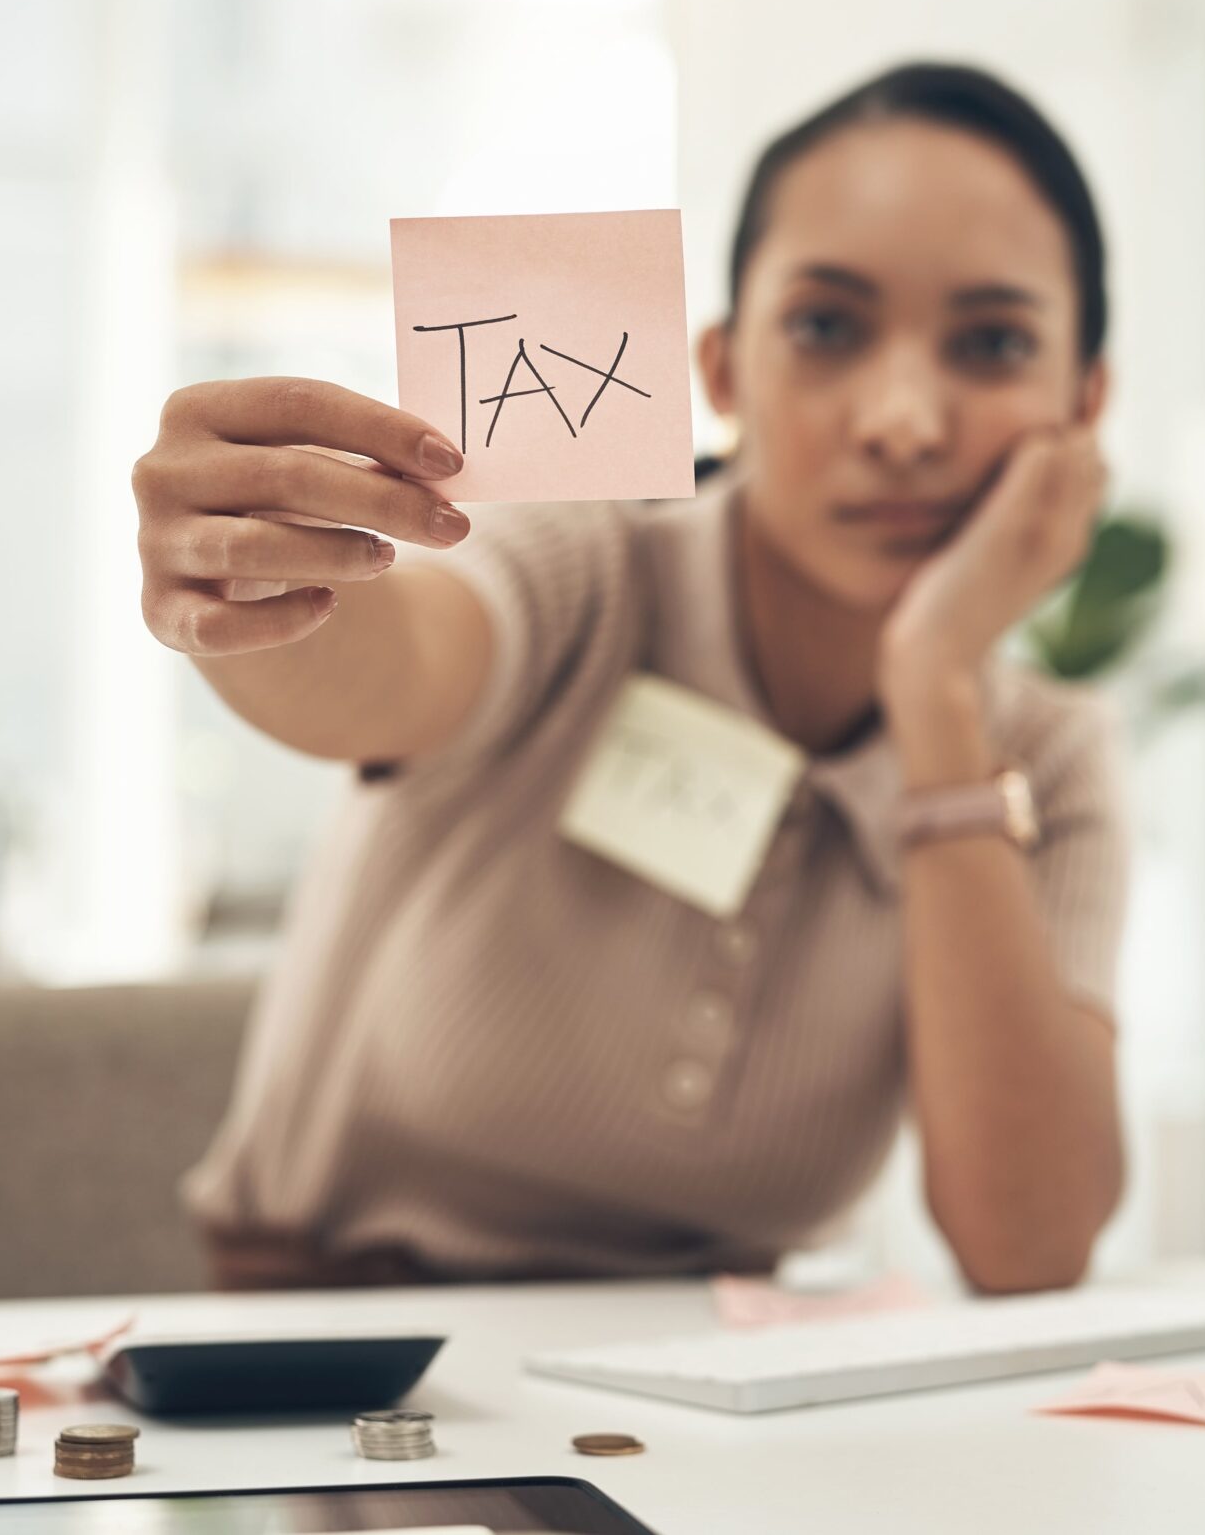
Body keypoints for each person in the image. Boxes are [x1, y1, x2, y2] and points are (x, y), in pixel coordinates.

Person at [139, 62, 1129, 1294]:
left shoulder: (1047, 755)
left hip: (719, 1409)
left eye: (991, 343)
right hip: (342, 1370)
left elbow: (1028, 1244)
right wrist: (249, 575)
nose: (903, 421)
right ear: (721, 371)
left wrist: (934, 693)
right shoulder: (589, 566)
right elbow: (387, 665)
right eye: (825, 327)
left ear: (1083, 408)